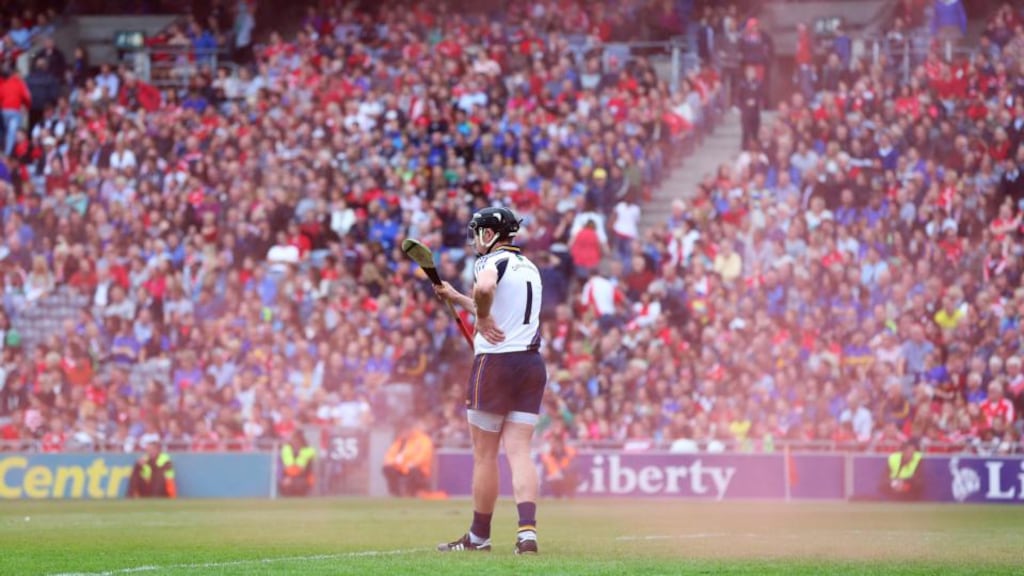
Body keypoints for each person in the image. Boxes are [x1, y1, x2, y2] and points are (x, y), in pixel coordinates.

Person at [434, 206, 546, 555]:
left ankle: (479, 537)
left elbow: (485, 291)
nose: (475, 238)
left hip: (495, 365)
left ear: (489, 234)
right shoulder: (529, 267)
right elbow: (498, 310)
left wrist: (480, 316)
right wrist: (458, 299)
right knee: (519, 451)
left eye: (478, 231)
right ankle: (527, 533)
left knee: (485, 455)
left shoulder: (489, 262)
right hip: (530, 365)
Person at [381, 419, 435, 497]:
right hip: (401, 468)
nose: (403, 433)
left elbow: (424, 455)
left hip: (418, 469)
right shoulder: (399, 442)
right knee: (387, 468)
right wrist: (391, 462)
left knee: (413, 470)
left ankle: (411, 493)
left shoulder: (423, 440)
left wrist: (412, 463)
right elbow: (390, 455)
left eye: (406, 430)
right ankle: (395, 493)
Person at [279, 429, 316, 497]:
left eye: (297, 440)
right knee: (285, 483)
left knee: (299, 483)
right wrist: (287, 478)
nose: (296, 442)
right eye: (294, 439)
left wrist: (291, 478)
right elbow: (287, 468)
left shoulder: (307, 451)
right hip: (289, 477)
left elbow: (303, 470)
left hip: (303, 477)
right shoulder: (287, 450)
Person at [540, 433, 577, 499]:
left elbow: (574, 464)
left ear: (560, 442)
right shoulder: (549, 453)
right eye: (551, 442)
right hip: (554, 476)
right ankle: (553, 495)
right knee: (553, 478)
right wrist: (555, 474)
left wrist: (563, 472)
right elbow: (546, 468)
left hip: (567, 475)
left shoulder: (568, 450)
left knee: (567, 477)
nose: (552, 444)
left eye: (554, 442)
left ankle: (566, 495)